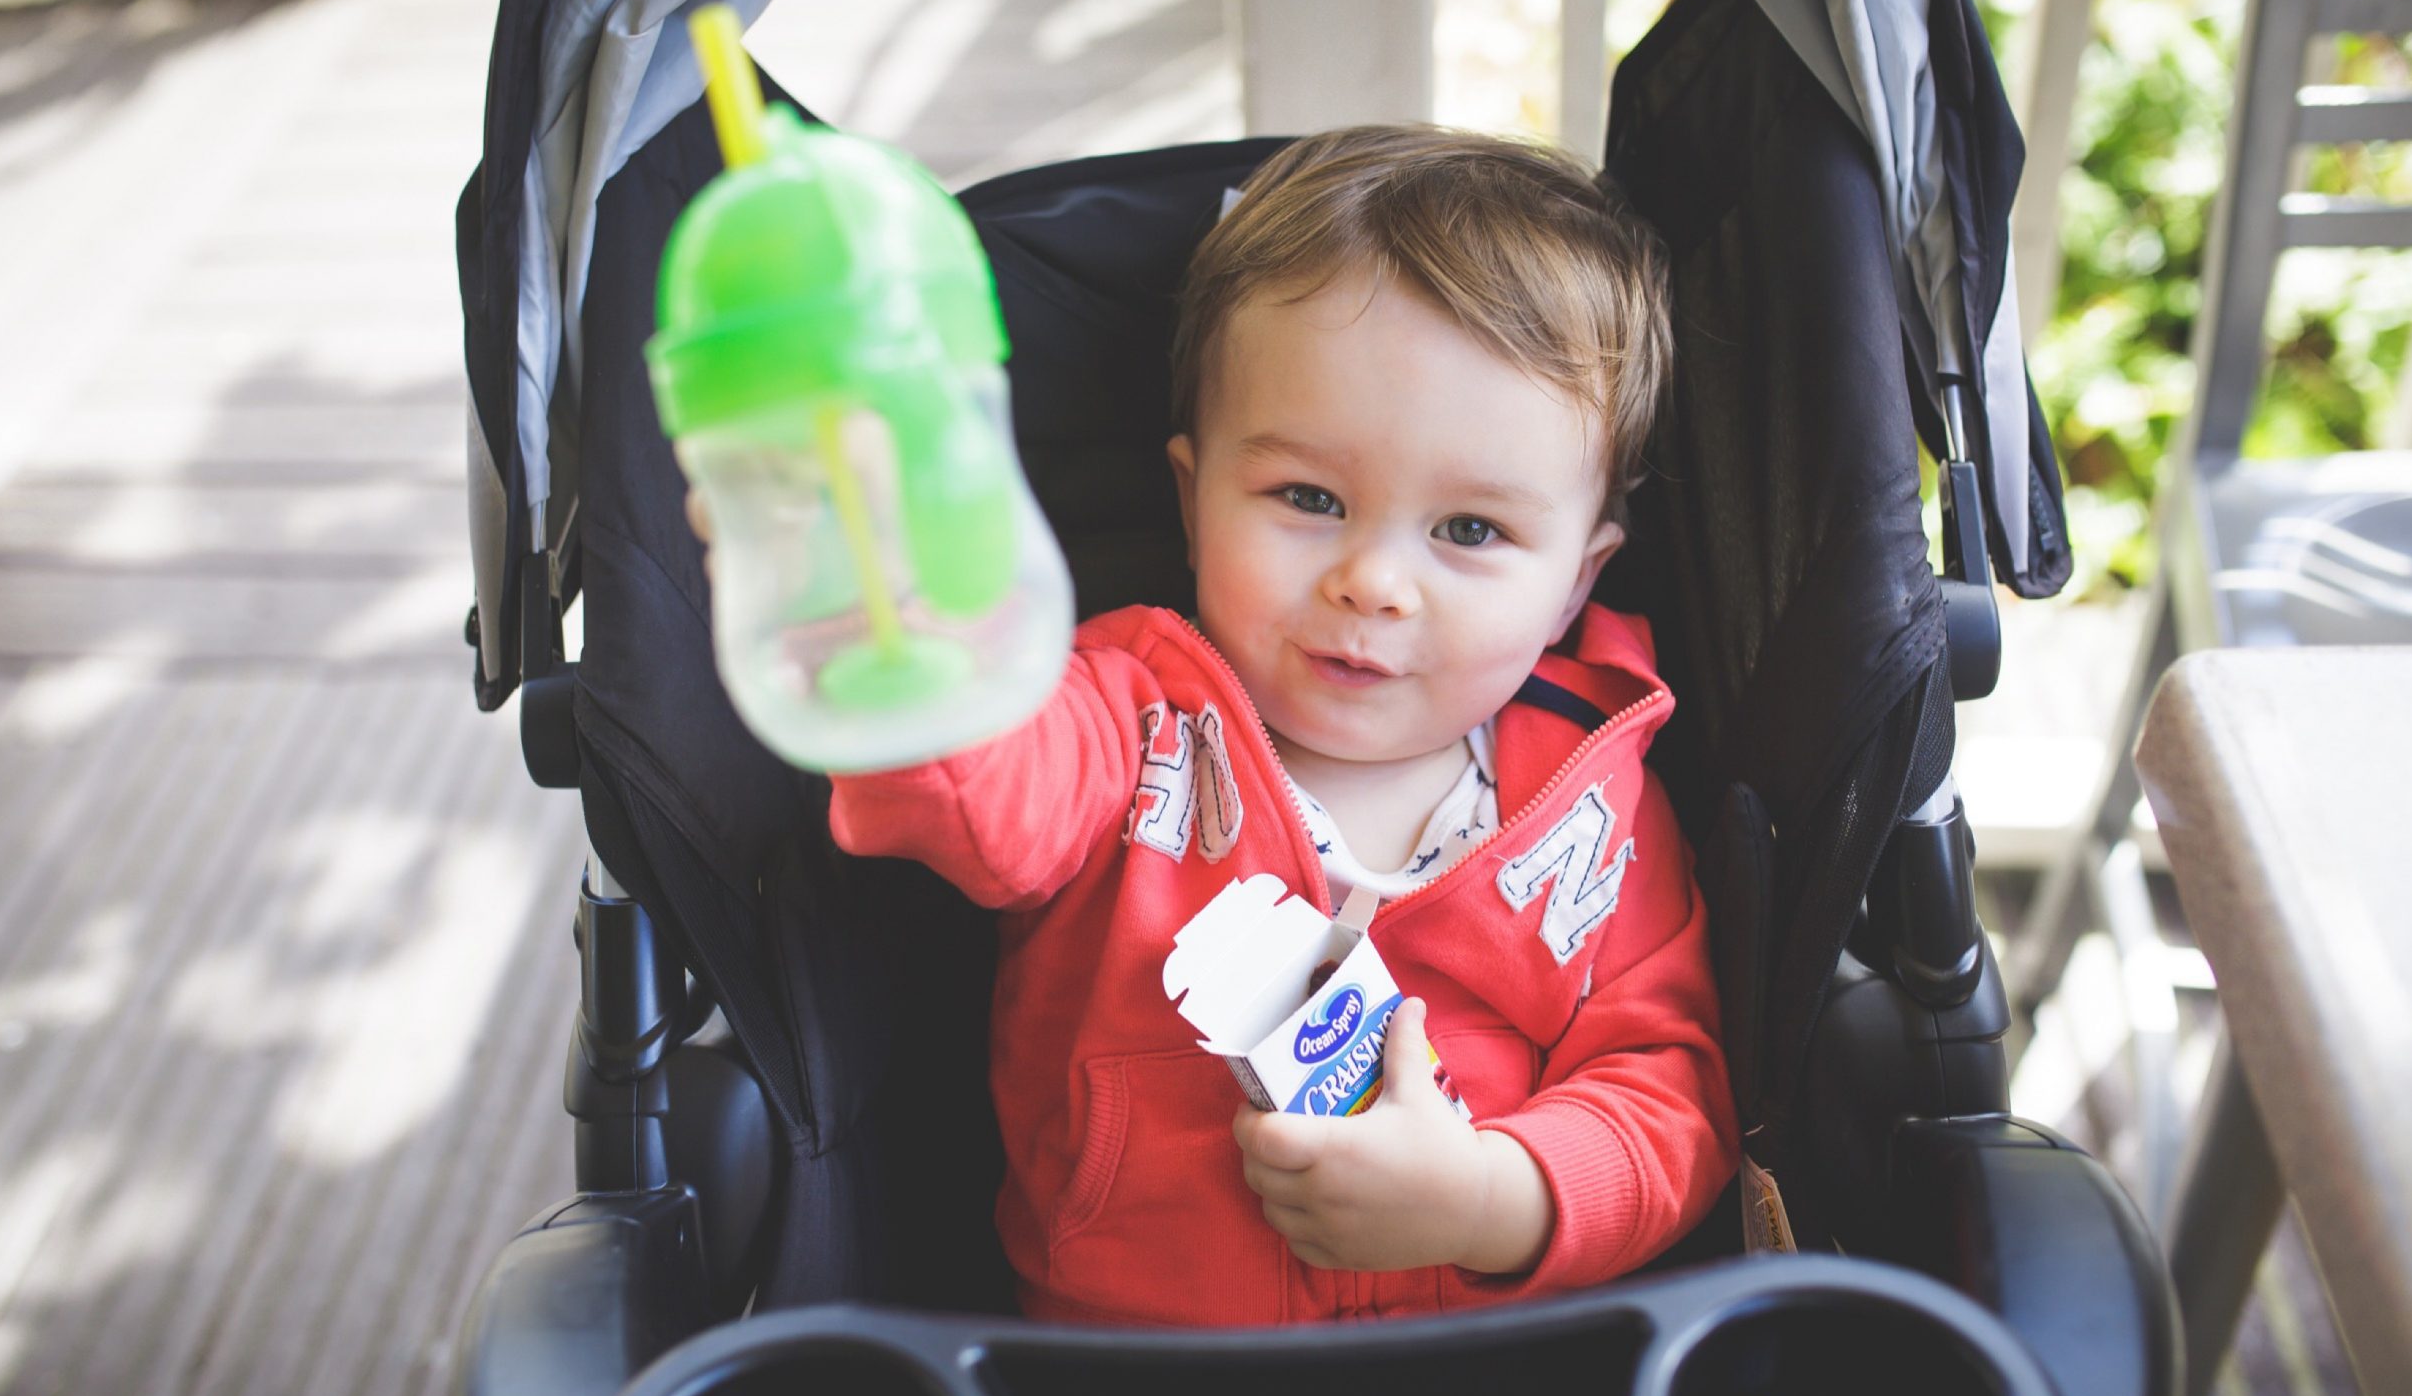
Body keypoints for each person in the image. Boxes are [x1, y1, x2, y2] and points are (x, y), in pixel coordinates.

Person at [700, 124, 1738, 1326]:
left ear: (1575, 582)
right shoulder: (1127, 717)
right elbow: (984, 792)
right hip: (1129, 1372)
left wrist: (1490, 1199)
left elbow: (1667, 1092)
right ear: (1192, 502)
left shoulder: (1597, 805)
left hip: (1491, 1374)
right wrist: (887, 625)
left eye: (1469, 530)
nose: (1373, 582)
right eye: (1308, 497)